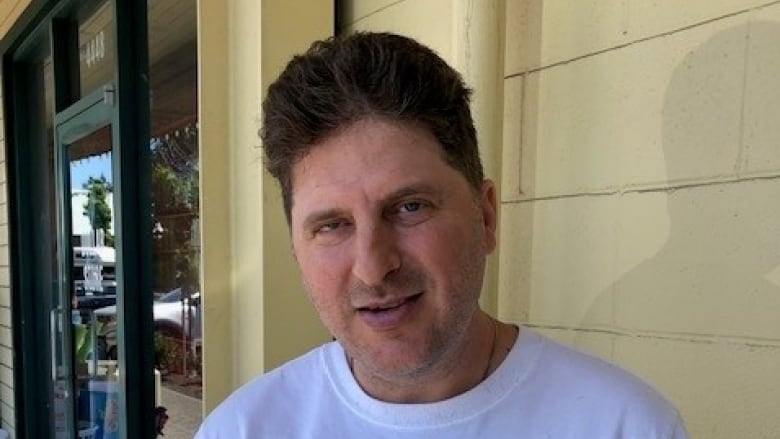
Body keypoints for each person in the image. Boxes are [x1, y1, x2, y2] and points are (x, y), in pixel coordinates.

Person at [194, 32, 687, 438]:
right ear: (296, 249)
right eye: (332, 225)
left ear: (487, 216)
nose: (373, 265)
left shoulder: (625, 426)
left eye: (410, 207)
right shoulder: (242, 430)